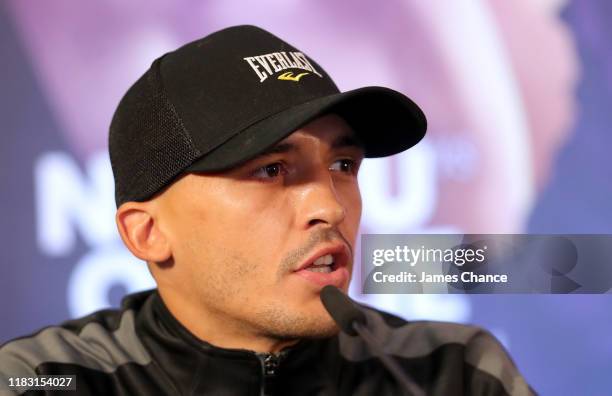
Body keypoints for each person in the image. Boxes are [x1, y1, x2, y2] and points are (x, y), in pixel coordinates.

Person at [0, 25, 534, 395]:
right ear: (147, 234)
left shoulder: (453, 374)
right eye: (271, 170)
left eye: (343, 165)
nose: (329, 205)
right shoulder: (46, 379)